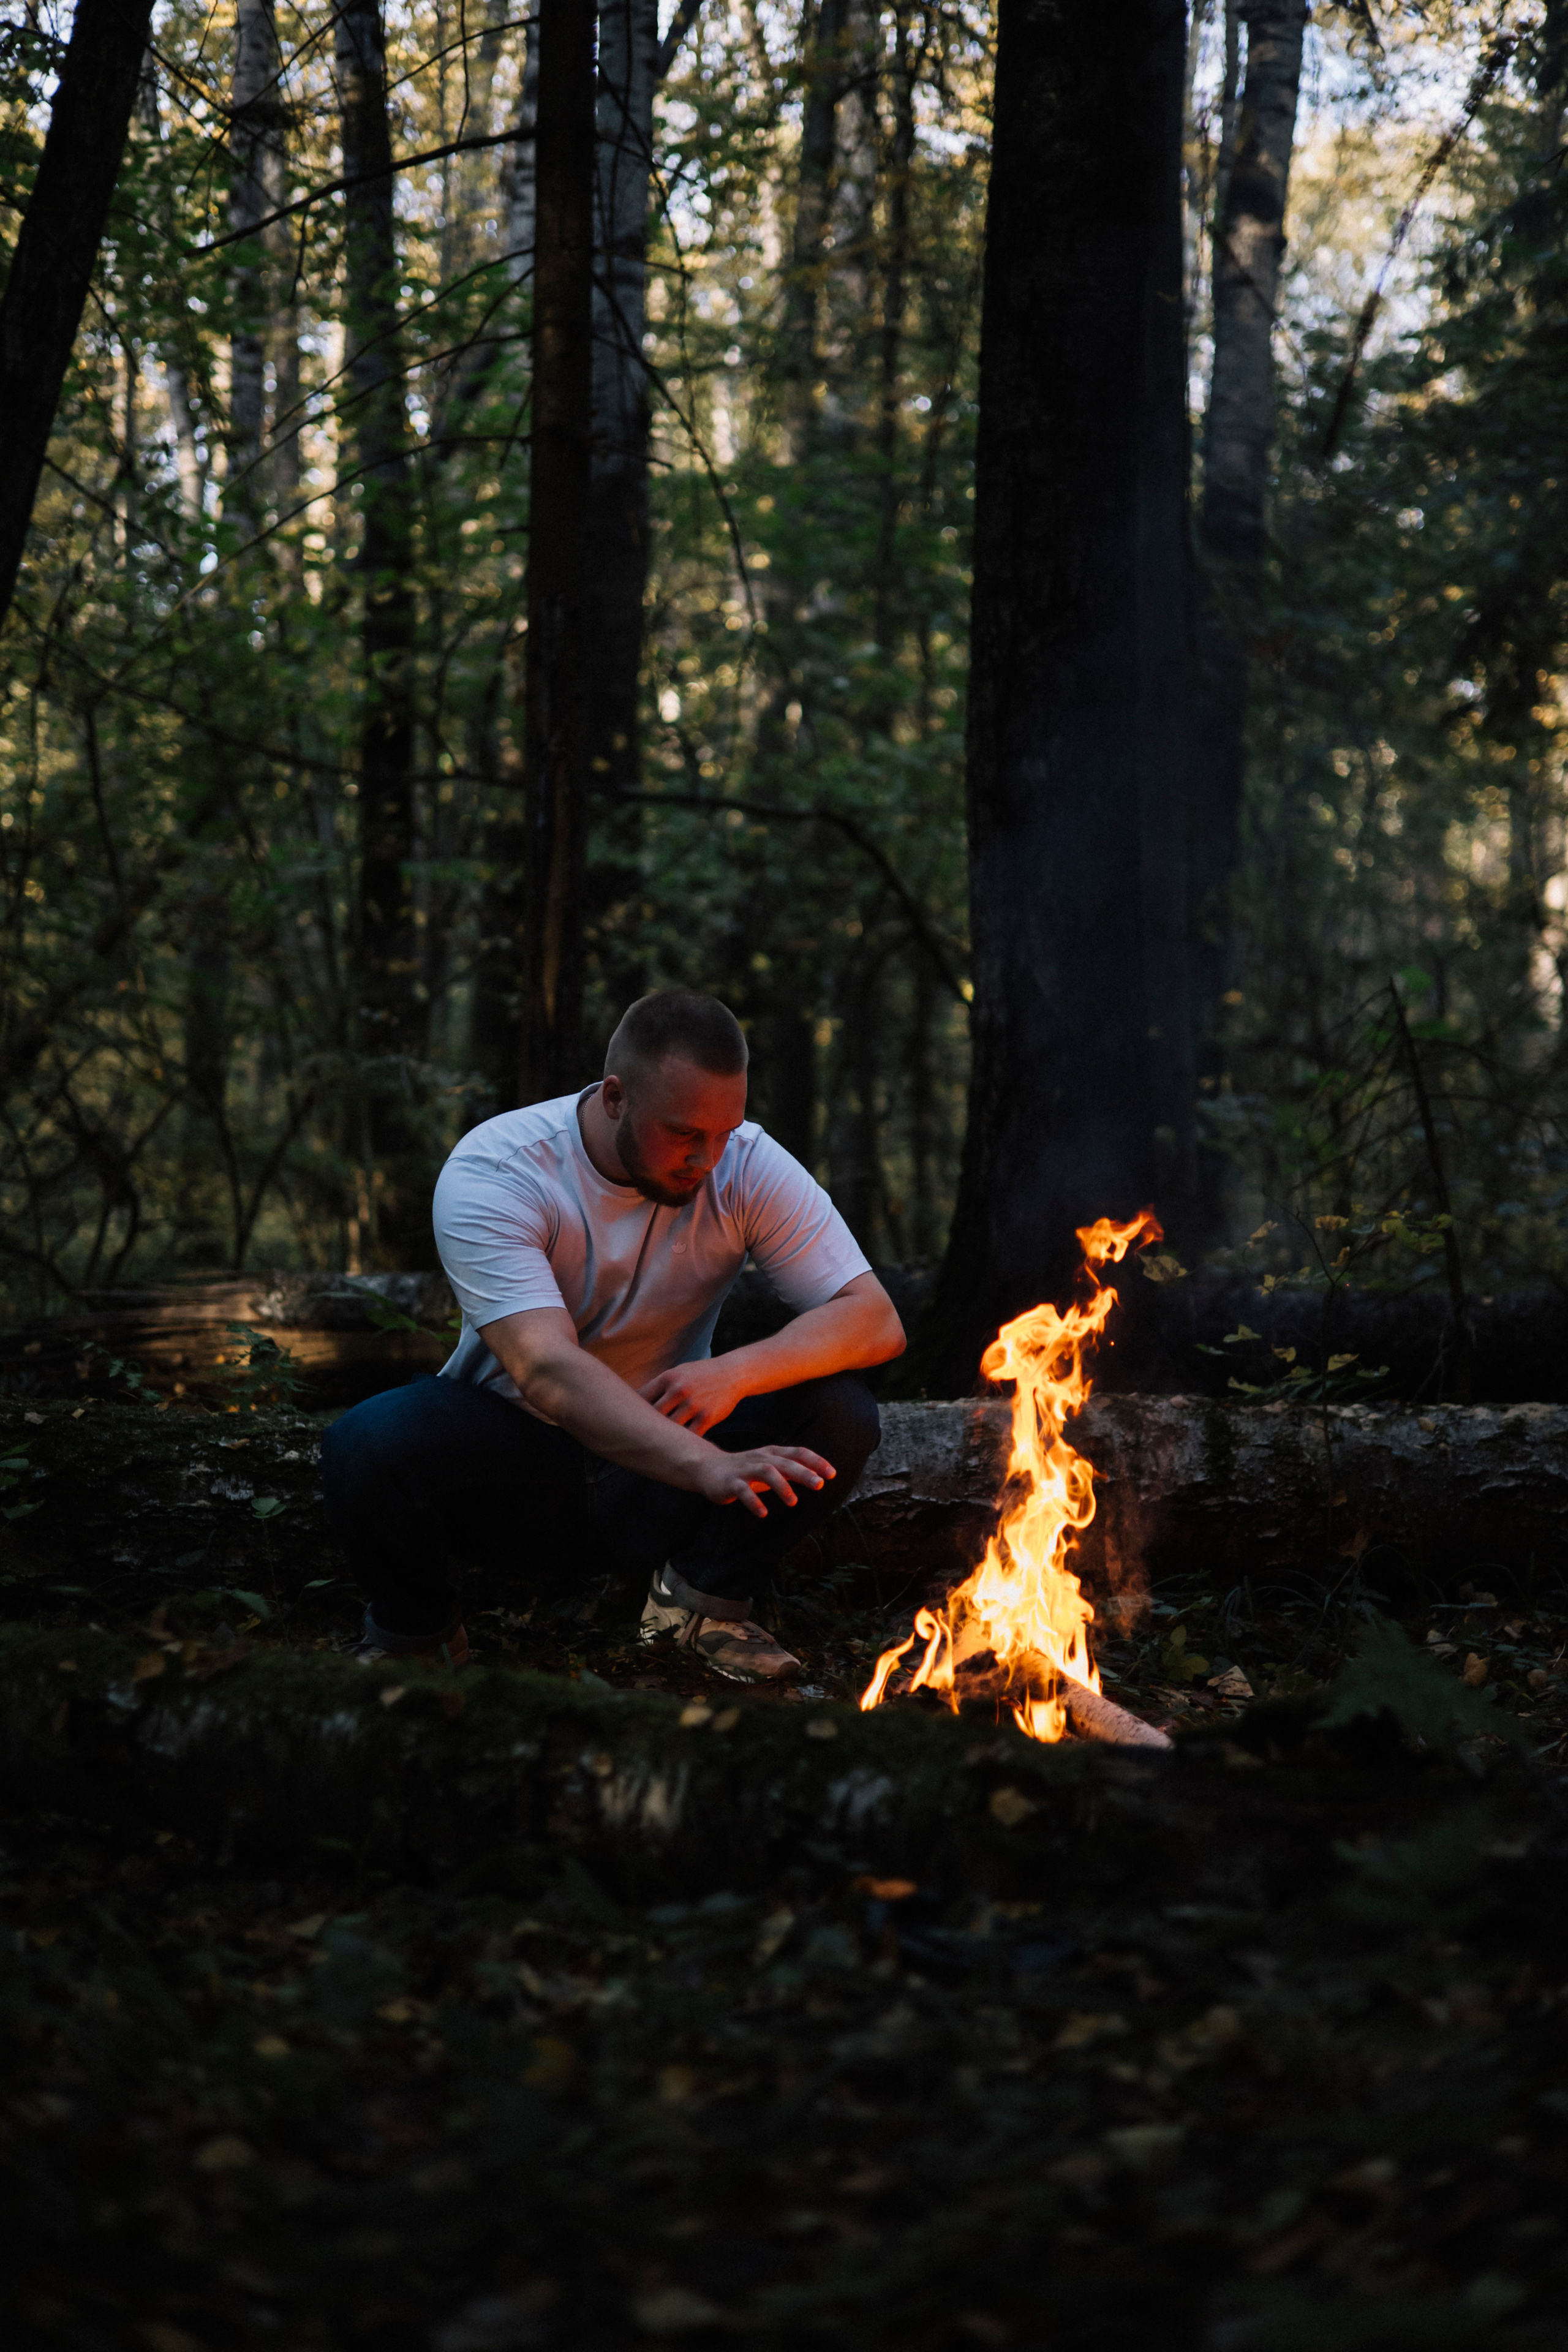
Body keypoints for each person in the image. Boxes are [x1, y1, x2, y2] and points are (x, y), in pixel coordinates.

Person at [322, 989, 905, 1682]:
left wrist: (735, 1374)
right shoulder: (499, 1170)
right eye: (685, 1133)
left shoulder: (746, 1161)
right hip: (519, 1472)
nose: (709, 1158)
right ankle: (418, 1639)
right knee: (369, 1440)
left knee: (839, 1409)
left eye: (725, 1132)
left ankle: (699, 1604)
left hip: (655, 1479)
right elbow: (546, 1369)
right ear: (615, 1096)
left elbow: (874, 1319)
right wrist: (702, 1465)